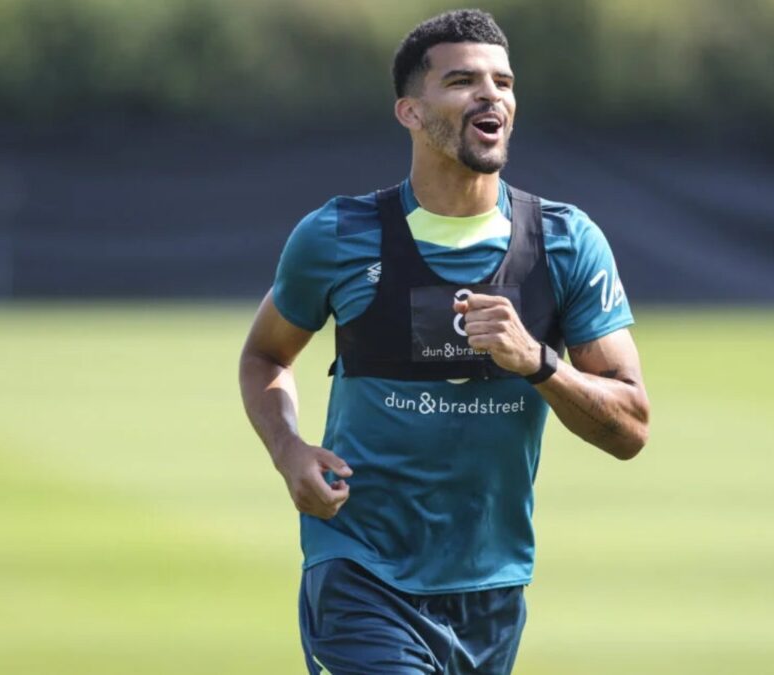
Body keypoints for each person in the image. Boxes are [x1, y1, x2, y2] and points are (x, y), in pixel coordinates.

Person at [239, 9, 651, 674]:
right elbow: (265, 354)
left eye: (504, 82)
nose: (491, 95)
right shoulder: (336, 235)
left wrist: (538, 363)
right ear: (410, 111)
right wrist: (288, 450)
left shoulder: (566, 243)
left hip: (492, 586)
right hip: (361, 572)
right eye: (463, 81)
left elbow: (631, 426)